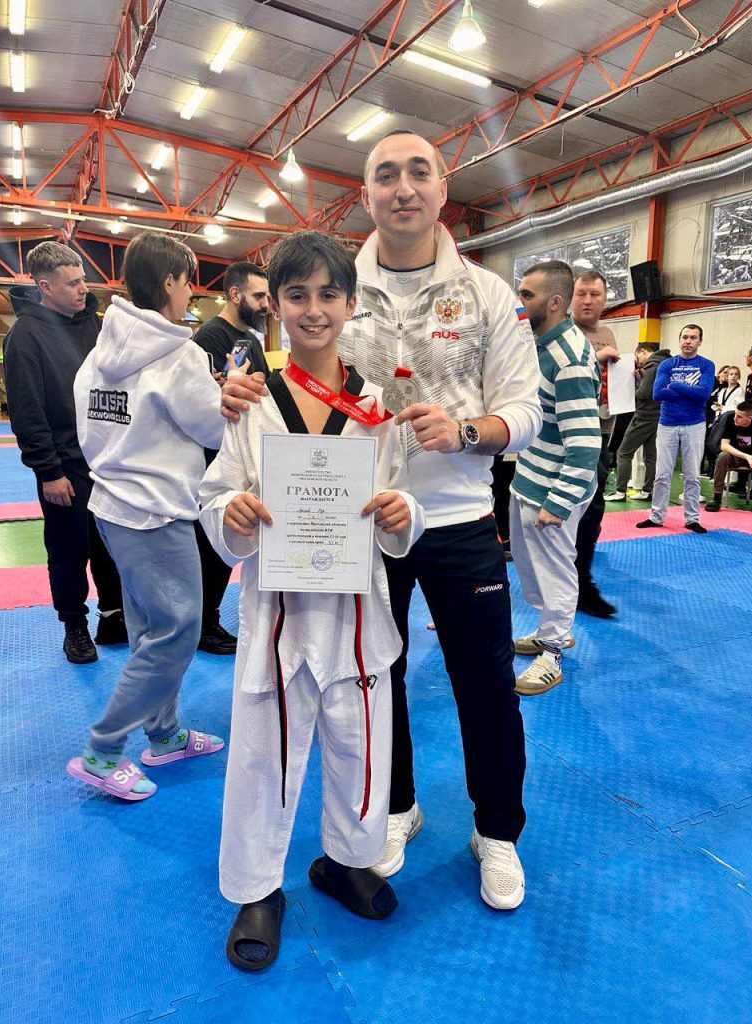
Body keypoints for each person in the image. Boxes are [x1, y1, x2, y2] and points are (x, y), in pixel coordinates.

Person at [219, 129, 542, 912]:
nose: (403, 188)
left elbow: (527, 411)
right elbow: (286, 382)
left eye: (418, 173)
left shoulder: (487, 294)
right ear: (365, 194)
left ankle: (496, 832)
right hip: (350, 526)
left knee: (485, 683)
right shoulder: (332, 280)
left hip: (458, 517)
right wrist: (232, 393)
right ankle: (391, 810)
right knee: (370, 679)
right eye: (386, 175)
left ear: (442, 188)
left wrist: (468, 432)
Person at [199, 231, 424, 971]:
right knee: (262, 756)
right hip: (277, 613)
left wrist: (402, 515)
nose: (314, 309)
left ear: (352, 303)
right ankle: (257, 889)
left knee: (361, 748)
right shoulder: (250, 399)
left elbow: (403, 501)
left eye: (329, 294)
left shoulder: (377, 404)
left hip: (356, 616)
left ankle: (346, 860)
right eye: (297, 295)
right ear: (275, 304)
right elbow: (215, 493)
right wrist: (230, 512)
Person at [66, 232, 226, 802]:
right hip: (156, 513)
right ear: (169, 281)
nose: (191, 293)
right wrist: (230, 396)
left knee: (150, 630)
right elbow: (214, 429)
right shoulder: (179, 354)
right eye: (188, 281)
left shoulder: (102, 349)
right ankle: (103, 749)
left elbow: (89, 423)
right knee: (177, 632)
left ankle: (164, 734)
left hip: (112, 506)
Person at [4, 242, 125, 664]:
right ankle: (74, 625)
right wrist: (48, 471)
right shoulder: (25, 337)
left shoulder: (97, 326)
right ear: (45, 287)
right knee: (69, 550)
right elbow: (26, 412)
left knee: (111, 545)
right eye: (72, 283)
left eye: (82, 280)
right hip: (64, 468)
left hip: (108, 461)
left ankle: (113, 617)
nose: (83, 289)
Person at [510, 262, 600, 695]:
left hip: (553, 490)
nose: (519, 302)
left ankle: (553, 652)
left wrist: (559, 502)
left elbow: (585, 444)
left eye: (527, 295)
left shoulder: (571, 359)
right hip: (529, 478)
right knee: (532, 571)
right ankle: (549, 630)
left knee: (556, 573)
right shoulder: (537, 345)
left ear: (555, 302)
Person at [193, 263, 270, 655]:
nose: (266, 304)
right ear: (236, 294)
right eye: (258, 296)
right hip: (216, 454)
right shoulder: (209, 337)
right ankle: (203, 623)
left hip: (249, 452)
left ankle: (207, 619)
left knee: (236, 541)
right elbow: (205, 399)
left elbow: (266, 389)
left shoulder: (250, 339)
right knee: (213, 543)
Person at [571, 270, 618, 618]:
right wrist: (595, 360)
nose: (588, 301)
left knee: (593, 508)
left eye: (595, 294)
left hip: (600, 430)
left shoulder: (607, 333)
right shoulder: (561, 331)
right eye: (582, 294)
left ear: (604, 299)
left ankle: (580, 580)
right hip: (568, 433)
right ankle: (575, 584)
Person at [636, 324, 715, 534]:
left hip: (694, 424)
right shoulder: (667, 364)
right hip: (667, 424)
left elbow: (704, 394)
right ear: (680, 340)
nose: (688, 341)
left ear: (700, 341)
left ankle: (692, 519)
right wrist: (690, 391)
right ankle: (656, 516)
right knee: (662, 474)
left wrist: (676, 386)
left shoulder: (706, 365)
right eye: (685, 337)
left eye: (693, 337)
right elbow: (658, 394)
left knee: (692, 475)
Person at [605, 343, 671, 501]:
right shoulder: (665, 364)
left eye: (637, 357)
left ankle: (620, 492)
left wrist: (625, 391)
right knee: (651, 456)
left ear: (643, 351)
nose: (638, 361)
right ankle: (647, 491)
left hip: (644, 415)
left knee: (623, 453)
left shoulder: (651, 366)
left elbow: (644, 393)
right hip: (659, 414)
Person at [704, 402, 752, 512]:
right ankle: (717, 497)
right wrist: (746, 456)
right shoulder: (730, 420)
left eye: (739, 416)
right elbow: (724, 445)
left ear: (749, 418)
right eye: (735, 414)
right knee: (723, 456)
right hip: (737, 457)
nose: (735, 418)